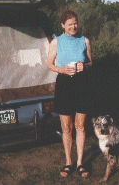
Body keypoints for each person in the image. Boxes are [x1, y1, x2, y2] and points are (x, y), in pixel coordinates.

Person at [46, 10, 92, 178]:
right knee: (66, 128)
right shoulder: (56, 42)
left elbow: (90, 61)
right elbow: (49, 64)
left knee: (80, 126)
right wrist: (62, 69)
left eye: (76, 23)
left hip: (82, 84)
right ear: (63, 25)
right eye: (70, 23)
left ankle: (80, 163)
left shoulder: (84, 40)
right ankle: (68, 162)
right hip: (64, 84)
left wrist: (85, 66)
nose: (74, 26)